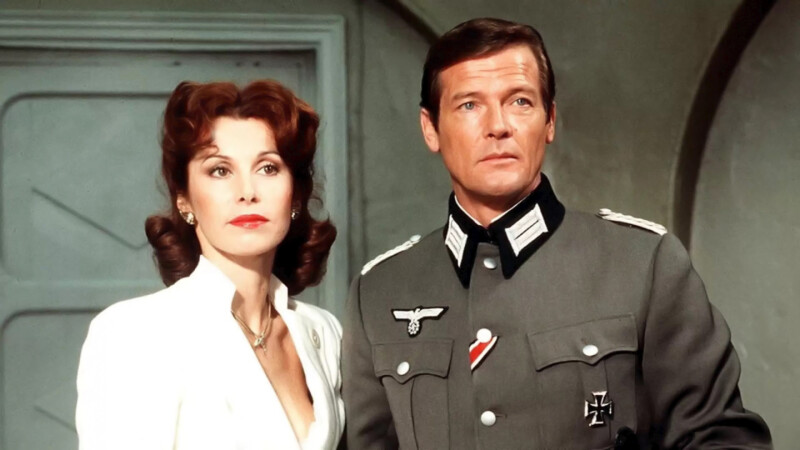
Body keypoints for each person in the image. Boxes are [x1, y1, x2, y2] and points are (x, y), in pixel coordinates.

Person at [342, 18, 771, 449]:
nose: (498, 126)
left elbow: (723, 440)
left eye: (520, 101)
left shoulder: (644, 264)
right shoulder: (378, 293)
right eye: (469, 105)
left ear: (549, 120)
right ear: (431, 128)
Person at [76, 80, 344, 450]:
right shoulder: (134, 332)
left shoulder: (324, 331)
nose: (247, 192)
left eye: (268, 168)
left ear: (295, 195)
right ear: (184, 199)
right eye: (220, 170)